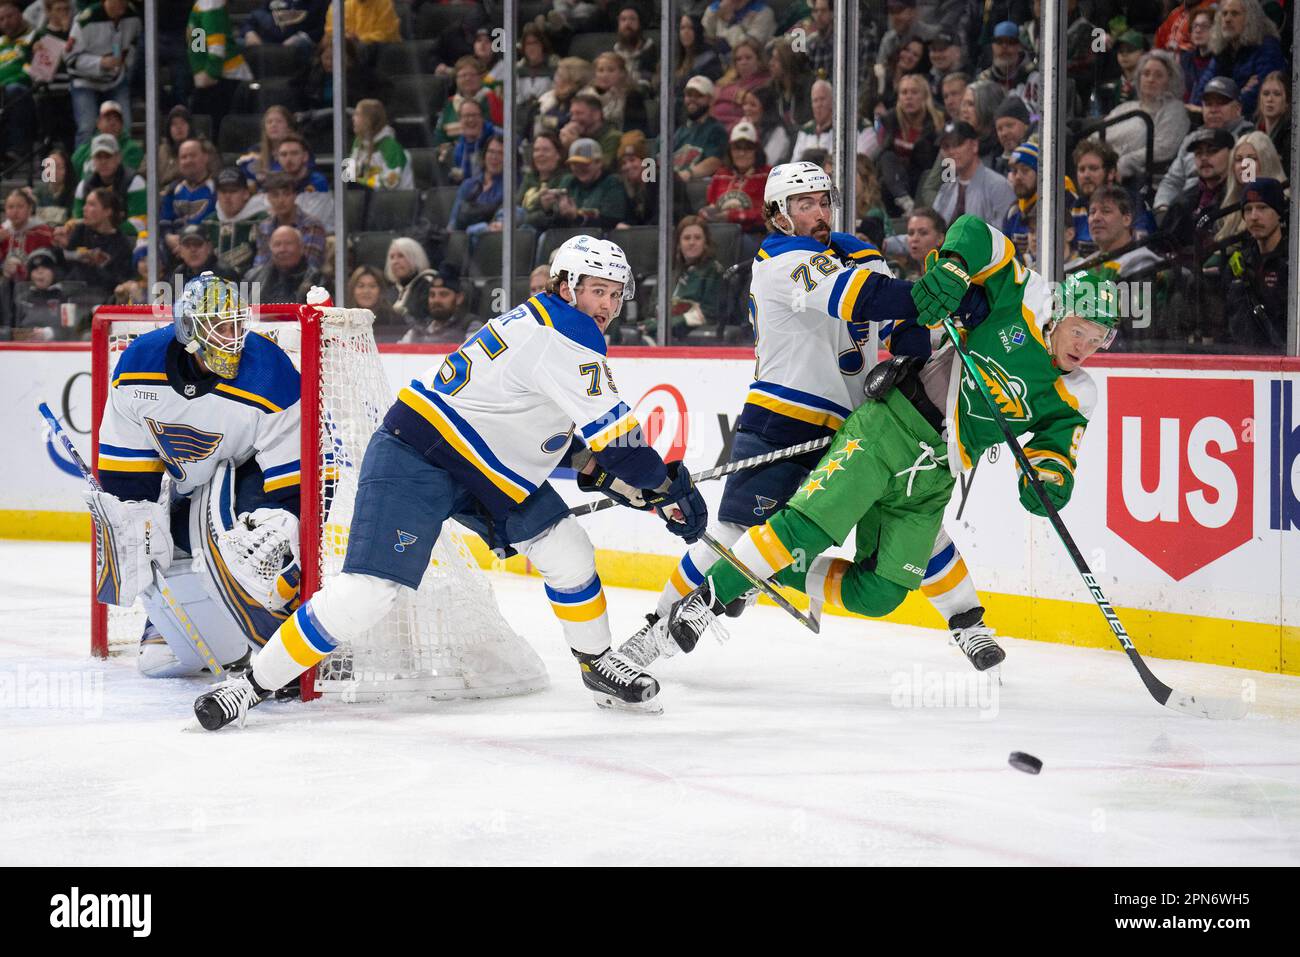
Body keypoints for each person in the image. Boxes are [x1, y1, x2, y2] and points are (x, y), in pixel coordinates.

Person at [194, 236, 709, 728]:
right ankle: (250, 686)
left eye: (616, 294)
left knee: (567, 550)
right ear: (566, 286)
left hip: (482, 466)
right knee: (369, 592)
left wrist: (627, 483)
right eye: (598, 290)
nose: (607, 304)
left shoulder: (543, 322)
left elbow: (539, 430)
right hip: (417, 454)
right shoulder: (568, 335)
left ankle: (598, 665)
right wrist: (668, 487)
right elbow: (621, 443)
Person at [655, 222, 1115, 682]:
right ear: (1060, 314)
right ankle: (710, 599)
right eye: (1081, 331)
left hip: (937, 469)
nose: (1085, 348)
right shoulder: (1026, 298)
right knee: (804, 527)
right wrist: (955, 266)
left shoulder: (1078, 392)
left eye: (1099, 341)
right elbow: (977, 232)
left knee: (881, 594)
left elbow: (1056, 451)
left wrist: (1049, 482)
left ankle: (772, 573)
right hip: (889, 427)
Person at [619, 163, 999, 674]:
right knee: (737, 532)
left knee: (912, 521)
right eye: (805, 205)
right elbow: (868, 298)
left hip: (857, 424)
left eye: (824, 202)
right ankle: (659, 627)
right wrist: (939, 292)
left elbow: (899, 331)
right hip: (784, 417)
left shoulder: (849, 254)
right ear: (777, 215)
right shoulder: (782, 262)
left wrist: (945, 317)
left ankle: (968, 623)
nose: (819, 213)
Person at [87, 273, 304, 679]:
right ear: (189, 328)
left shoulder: (270, 372)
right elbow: (127, 465)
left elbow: (293, 483)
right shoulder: (139, 363)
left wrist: (284, 523)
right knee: (164, 549)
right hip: (192, 482)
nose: (233, 337)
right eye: (219, 327)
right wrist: (133, 515)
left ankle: (291, 633)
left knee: (260, 541)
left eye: (238, 324)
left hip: (252, 469)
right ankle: (169, 622)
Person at [1154, 76, 1253, 213]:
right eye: (1208, 104)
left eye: (1220, 103)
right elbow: (1172, 181)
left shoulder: (1250, 140)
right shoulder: (1192, 138)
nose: (1213, 110)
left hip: (1227, 210)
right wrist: (1162, 208)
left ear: (1238, 109)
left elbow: (1250, 186)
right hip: (1186, 210)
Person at [1223, 177, 1288, 350]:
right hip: (1245, 361)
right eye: (1248, 209)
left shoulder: (1292, 262)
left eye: (1262, 208)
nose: (1254, 216)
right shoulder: (1238, 263)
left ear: (1279, 212)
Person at [1189, 0, 1285, 116]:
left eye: (1234, 14)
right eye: (1224, 14)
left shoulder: (1266, 48)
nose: (1227, 19)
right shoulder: (1223, 49)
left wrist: (1214, 107)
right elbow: (1202, 91)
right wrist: (1239, 92)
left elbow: (1259, 98)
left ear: (1251, 18)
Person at [65, 0, 141, 147]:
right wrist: (100, 62)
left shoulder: (133, 16)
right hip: (84, 81)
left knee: (125, 127)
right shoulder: (85, 20)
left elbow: (134, 44)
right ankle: (82, 168)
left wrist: (125, 64)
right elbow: (70, 58)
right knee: (86, 128)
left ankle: (126, 166)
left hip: (115, 80)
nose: (122, 4)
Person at [875, 73, 943, 215]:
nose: (908, 97)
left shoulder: (937, 122)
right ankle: (904, 201)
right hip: (897, 185)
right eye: (904, 92)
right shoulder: (890, 121)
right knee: (887, 158)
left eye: (914, 92)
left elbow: (934, 161)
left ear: (925, 96)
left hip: (925, 179)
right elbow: (881, 157)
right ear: (899, 97)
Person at [932, 121, 1014, 227]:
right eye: (946, 146)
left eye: (958, 144)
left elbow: (1004, 235)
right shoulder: (946, 189)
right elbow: (934, 231)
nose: (951, 151)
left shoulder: (998, 186)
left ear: (974, 145)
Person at [700, 120, 770, 235]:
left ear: (756, 151)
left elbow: (767, 214)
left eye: (748, 148)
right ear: (730, 151)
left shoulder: (767, 175)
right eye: (737, 148)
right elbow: (711, 205)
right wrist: (706, 213)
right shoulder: (720, 175)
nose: (742, 153)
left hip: (754, 234)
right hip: (720, 231)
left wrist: (731, 216)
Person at [70, 134, 145, 236]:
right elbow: (78, 220)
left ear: (118, 157)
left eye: (108, 156)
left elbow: (140, 223)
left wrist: (105, 227)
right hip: (91, 240)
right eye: (98, 157)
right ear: (92, 160)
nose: (103, 162)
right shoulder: (83, 186)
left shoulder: (135, 182)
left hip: (128, 240)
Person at [251, 171, 326, 271]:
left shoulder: (311, 225)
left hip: (305, 283)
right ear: (268, 198)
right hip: (271, 281)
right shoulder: (264, 226)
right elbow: (260, 265)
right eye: (275, 195)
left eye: (286, 194)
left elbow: (309, 266)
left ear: (295, 196)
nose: (281, 200)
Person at [665, 215, 724, 337]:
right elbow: (652, 309)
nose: (692, 242)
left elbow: (709, 313)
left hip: (688, 333)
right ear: (678, 244)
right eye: (686, 238)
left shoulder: (713, 270)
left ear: (705, 242)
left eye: (697, 238)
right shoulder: (670, 270)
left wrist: (670, 323)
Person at [160, 139, 218, 257]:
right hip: (177, 257)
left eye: (193, 155)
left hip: (208, 257)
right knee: (178, 275)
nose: (188, 161)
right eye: (184, 157)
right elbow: (163, 222)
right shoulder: (172, 190)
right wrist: (168, 237)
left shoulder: (217, 189)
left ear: (205, 157)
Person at [206, 167, 267, 277]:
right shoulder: (209, 222)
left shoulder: (261, 220)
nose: (227, 196)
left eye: (233, 191)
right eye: (223, 191)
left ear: (246, 194)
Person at [399, 261, 479, 344]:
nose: (436, 300)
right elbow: (398, 353)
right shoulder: (419, 328)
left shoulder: (470, 326)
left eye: (443, 294)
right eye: (432, 295)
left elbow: (473, 354)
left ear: (459, 298)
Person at [70, 99, 142, 184]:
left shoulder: (132, 149)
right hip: (87, 193)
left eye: (117, 120)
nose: (113, 123)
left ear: (122, 125)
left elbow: (125, 178)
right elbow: (70, 176)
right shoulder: (84, 150)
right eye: (108, 119)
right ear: (98, 123)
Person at [244, 224, 322, 303]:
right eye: (277, 244)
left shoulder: (317, 279)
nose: (282, 249)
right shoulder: (252, 277)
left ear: (301, 248)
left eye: (288, 243)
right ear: (270, 249)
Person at [348, 99, 413, 191]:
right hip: (367, 197)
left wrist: (364, 179)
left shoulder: (391, 146)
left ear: (368, 119)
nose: (353, 118)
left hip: (396, 201)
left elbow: (391, 182)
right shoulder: (358, 142)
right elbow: (351, 173)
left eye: (357, 114)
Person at [672, 75, 727, 184]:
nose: (692, 99)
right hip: (672, 186)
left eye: (698, 95)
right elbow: (655, 158)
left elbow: (715, 161)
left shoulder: (716, 130)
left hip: (696, 187)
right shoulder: (677, 131)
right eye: (688, 95)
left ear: (710, 100)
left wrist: (687, 174)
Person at [449, 134, 507, 234]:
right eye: (491, 151)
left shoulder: (509, 187)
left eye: (500, 153)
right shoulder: (468, 184)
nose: (494, 157)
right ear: (484, 155)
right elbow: (453, 222)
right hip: (462, 239)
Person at [710, 36, 767, 132]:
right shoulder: (728, 81)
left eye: (748, 58)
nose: (743, 62)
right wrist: (739, 95)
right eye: (738, 59)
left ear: (759, 60)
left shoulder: (765, 83)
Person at [237, 106, 299, 190]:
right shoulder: (255, 151)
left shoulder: (300, 150)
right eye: (269, 122)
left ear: (289, 127)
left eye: (279, 121)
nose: (273, 125)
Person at [585, 50, 646, 135]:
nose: (605, 75)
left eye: (611, 70)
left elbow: (635, 129)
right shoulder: (587, 95)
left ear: (622, 73)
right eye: (600, 70)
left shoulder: (632, 96)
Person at [558, 92, 622, 172]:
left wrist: (576, 145)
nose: (573, 118)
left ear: (596, 115)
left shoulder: (613, 137)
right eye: (572, 114)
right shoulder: (577, 135)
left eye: (579, 113)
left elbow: (604, 167)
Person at [1, 187, 53, 282]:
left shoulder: (42, 232)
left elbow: (47, 262)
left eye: (20, 207)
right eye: (10, 207)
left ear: (29, 209)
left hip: (32, 281)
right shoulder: (2, 231)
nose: (15, 211)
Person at [386, 236, 435, 331]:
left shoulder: (428, 287)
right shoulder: (390, 292)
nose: (395, 262)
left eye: (401, 256)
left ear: (415, 258)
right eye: (392, 257)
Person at [612, 130, 656, 228]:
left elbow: (660, 219)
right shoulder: (629, 187)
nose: (628, 166)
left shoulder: (659, 181)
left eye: (632, 160)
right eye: (623, 163)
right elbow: (631, 218)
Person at [345, 264, 401, 341]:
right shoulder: (342, 320)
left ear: (380, 290)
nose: (366, 291)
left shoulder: (395, 320)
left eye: (372, 286)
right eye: (361, 286)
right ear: (352, 290)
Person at [741, 85, 791, 167]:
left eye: (753, 105)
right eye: (745, 104)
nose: (747, 108)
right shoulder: (743, 126)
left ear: (766, 109)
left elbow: (768, 162)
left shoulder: (779, 132)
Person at [702, 0, 776, 50]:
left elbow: (748, 50)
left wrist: (730, 22)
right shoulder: (713, 10)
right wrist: (716, 15)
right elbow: (707, 42)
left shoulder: (763, 13)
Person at [1253, 70, 1290, 166]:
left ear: (1287, 102)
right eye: (1265, 94)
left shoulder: (1291, 138)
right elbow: (1247, 177)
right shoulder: (1251, 133)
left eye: (1277, 94)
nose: (1270, 99)